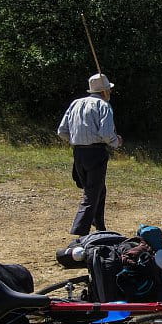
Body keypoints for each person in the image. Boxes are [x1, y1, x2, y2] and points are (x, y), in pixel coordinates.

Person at [57, 73, 122, 236]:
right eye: (109, 90)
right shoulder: (103, 106)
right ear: (104, 91)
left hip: (78, 153)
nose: (110, 93)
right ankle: (80, 230)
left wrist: (77, 140)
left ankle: (98, 224)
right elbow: (107, 133)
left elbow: (62, 131)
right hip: (96, 153)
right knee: (92, 193)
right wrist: (117, 142)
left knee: (99, 189)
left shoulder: (75, 104)